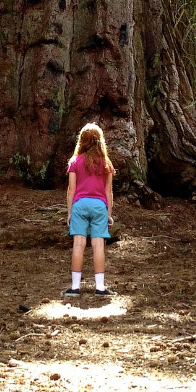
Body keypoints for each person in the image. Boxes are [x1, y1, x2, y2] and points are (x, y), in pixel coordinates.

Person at [61, 122, 117, 297]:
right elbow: (108, 191)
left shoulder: (75, 162)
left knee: (78, 244)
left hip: (80, 205)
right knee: (98, 245)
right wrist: (108, 214)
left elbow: (71, 189)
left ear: (82, 141)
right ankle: (100, 288)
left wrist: (70, 212)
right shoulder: (106, 163)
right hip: (100, 206)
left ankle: (75, 287)